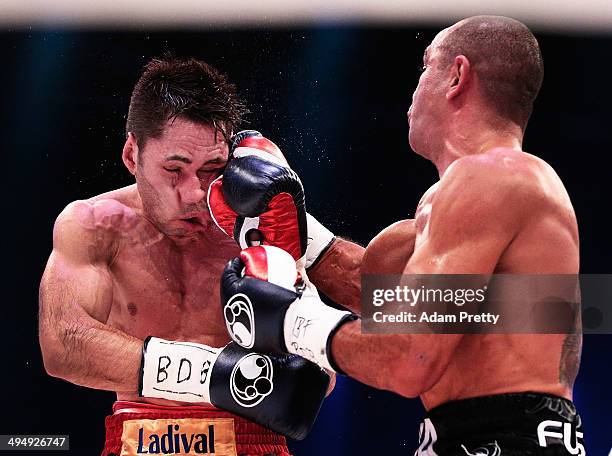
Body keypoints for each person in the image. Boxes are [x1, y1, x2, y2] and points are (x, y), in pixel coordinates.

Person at [217, 16, 585, 455]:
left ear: (457, 76)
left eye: (425, 66)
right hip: (465, 435)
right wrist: (281, 222)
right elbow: (376, 292)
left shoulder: (496, 176)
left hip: (509, 439)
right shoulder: (466, 203)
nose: (414, 88)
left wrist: (292, 322)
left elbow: (408, 358)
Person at [38, 56, 342, 456]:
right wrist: (216, 375)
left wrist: (289, 254)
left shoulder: (261, 221)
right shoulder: (95, 225)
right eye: (174, 169)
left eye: (211, 168)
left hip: (251, 441)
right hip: (136, 439)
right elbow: (62, 344)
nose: (196, 193)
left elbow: (322, 370)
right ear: (132, 155)